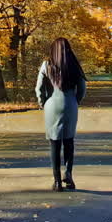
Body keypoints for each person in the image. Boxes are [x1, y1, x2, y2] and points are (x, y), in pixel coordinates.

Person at [34, 37, 87, 191]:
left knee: (54, 143)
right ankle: (68, 174)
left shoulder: (46, 65)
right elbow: (82, 89)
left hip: (52, 105)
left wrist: (43, 103)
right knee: (69, 141)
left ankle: (57, 181)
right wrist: (75, 101)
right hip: (70, 104)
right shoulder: (75, 66)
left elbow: (38, 88)